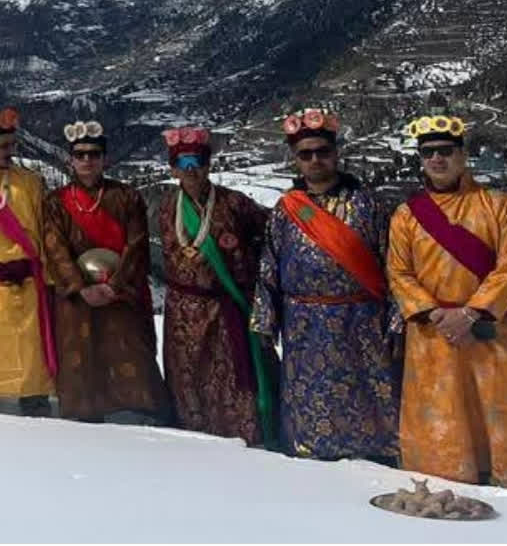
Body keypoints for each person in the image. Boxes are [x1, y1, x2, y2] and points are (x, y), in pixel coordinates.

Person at [387, 114, 507, 499]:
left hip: (493, 325)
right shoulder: (406, 216)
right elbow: (399, 272)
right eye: (428, 153)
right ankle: (448, 479)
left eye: (445, 151)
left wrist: (471, 313)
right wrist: (436, 313)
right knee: (446, 410)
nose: (437, 159)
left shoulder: (498, 205)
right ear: (420, 159)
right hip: (433, 329)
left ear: (462, 154)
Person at [249, 109, 400, 463]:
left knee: (366, 394)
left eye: (322, 151)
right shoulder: (286, 210)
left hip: (362, 322)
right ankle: (310, 457)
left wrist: (396, 320)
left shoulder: (368, 203)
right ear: (295, 160)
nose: (315, 160)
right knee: (309, 396)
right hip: (304, 326)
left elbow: (394, 265)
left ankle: (376, 456)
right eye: (306, 154)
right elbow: (269, 266)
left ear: (336, 153)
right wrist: (263, 319)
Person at [41, 120, 173, 426]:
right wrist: (80, 286)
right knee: (79, 355)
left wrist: (115, 286)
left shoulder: (127, 197)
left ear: (105, 158)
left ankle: (139, 412)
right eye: (81, 155)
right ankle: (82, 416)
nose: (87, 160)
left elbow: (136, 244)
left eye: (94, 154)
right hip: (77, 297)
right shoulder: (55, 202)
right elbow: (54, 248)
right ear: (70, 159)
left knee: (130, 351)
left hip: (120, 293)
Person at [157, 126, 276, 446]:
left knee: (233, 377)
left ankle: (245, 437)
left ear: (208, 165)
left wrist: (248, 266)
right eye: (182, 164)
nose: (190, 170)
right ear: (172, 169)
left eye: (196, 161)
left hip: (226, 305)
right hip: (182, 312)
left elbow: (271, 230)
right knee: (189, 377)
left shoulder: (234, 203)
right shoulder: (167, 207)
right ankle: (192, 441)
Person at [0, 106, 55, 418]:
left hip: (27, 286)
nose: (10, 152)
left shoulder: (30, 184)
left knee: (30, 361)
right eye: (3, 146)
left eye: (13, 146)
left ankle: (35, 407)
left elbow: (44, 230)